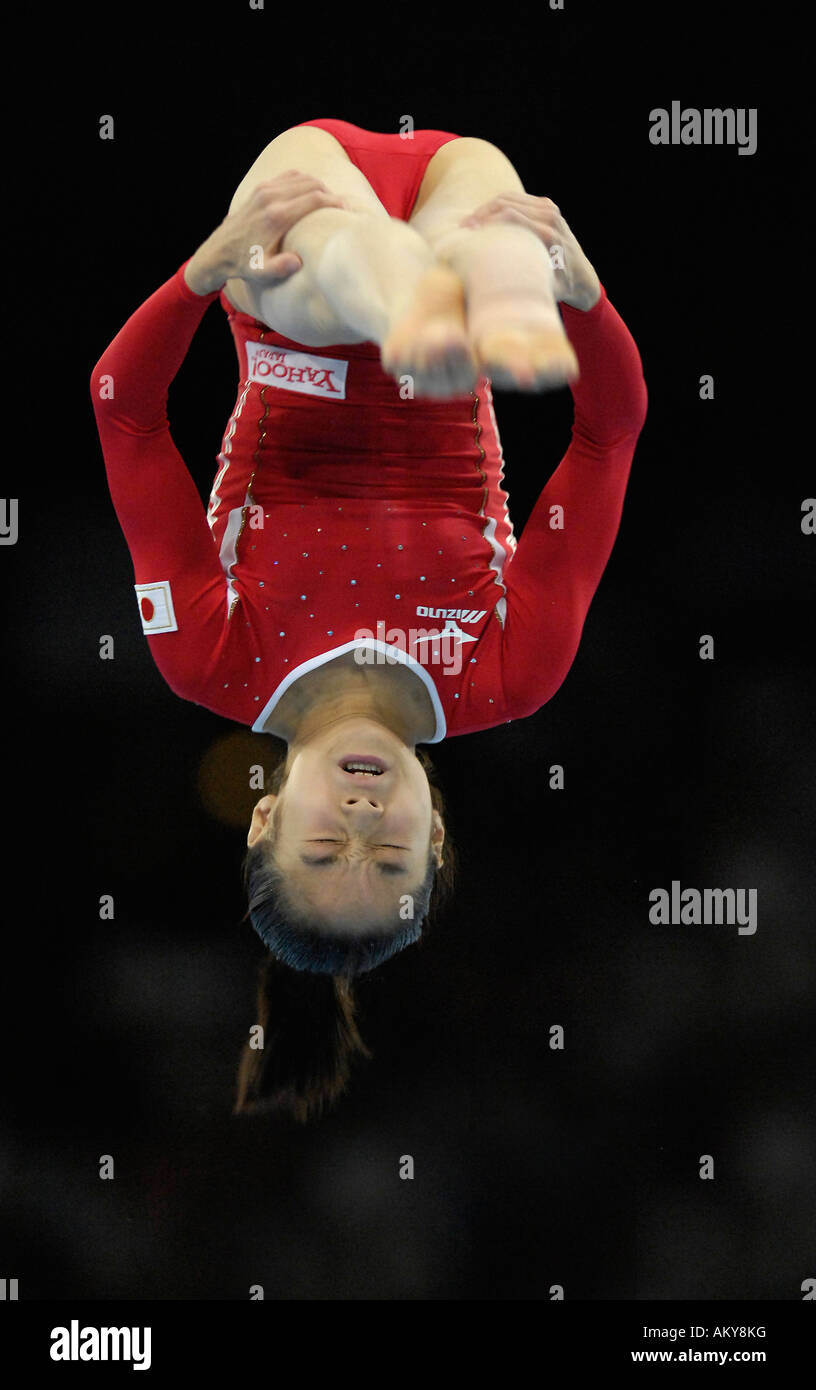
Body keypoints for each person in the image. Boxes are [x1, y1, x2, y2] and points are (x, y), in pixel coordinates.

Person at [90, 119, 648, 1121]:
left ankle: (431, 307)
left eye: (321, 850)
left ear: (264, 817)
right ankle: (488, 286)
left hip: (289, 274)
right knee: (491, 223)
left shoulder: (209, 658)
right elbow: (610, 434)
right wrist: (587, 296)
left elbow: (123, 409)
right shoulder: (508, 674)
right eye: (389, 856)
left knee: (335, 255)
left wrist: (200, 273)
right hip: (450, 233)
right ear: (437, 836)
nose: (360, 824)